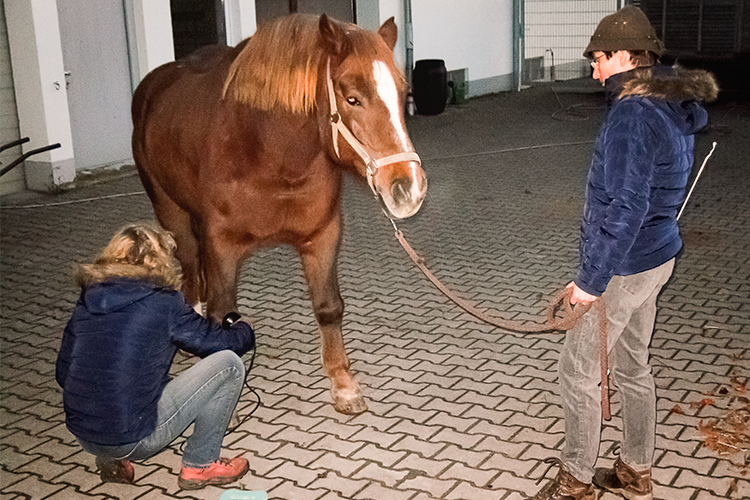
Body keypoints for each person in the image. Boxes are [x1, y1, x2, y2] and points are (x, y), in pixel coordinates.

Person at [533, 6, 718, 500]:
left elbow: (626, 205)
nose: (593, 70)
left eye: (598, 59)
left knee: (577, 370)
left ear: (624, 56)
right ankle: (636, 469)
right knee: (633, 366)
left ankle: (574, 479)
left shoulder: (634, 112)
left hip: (626, 264)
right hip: (658, 257)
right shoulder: (666, 100)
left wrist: (590, 283)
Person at [56, 223, 256, 490]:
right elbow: (218, 344)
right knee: (228, 365)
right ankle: (201, 464)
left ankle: (112, 455)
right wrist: (245, 329)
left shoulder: (89, 299)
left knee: (139, 378)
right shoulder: (163, 302)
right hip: (131, 437)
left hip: (83, 431)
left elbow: (63, 373)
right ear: (157, 259)